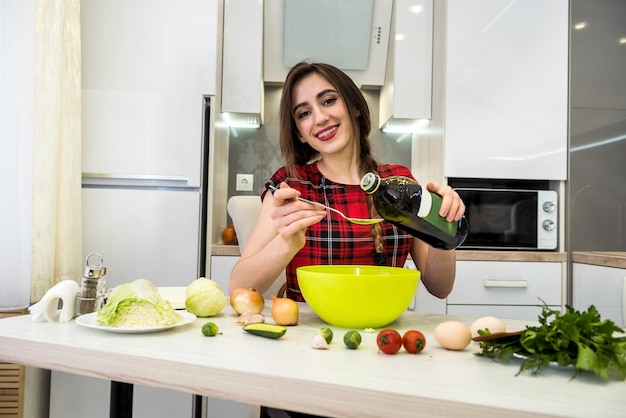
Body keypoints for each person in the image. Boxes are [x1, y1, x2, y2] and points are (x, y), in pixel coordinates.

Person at [228, 61, 465, 302]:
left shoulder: (399, 182)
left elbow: (440, 288)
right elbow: (238, 288)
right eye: (304, 113)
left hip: (384, 332)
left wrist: (444, 226)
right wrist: (286, 243)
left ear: (354, 106)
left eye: (328, 100)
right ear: (299, 132)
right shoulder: (291, 186)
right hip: (309, 335)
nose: (319, 117)